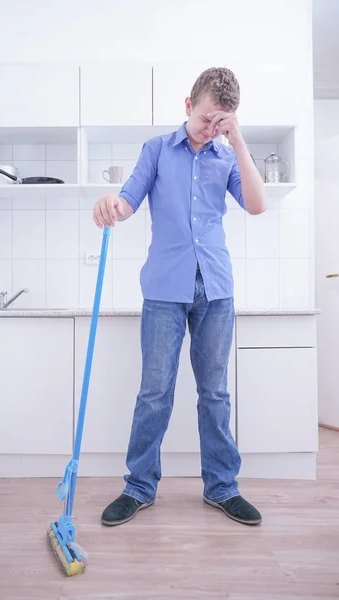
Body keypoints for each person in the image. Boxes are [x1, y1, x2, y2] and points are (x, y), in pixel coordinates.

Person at [92, 67, 266, 527]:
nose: (212, 130)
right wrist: (111, 205)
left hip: (215, 289)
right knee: (154, 393)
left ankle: (222, 488)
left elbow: (257, 204)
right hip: (164, 291)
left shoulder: (226, 157)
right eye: (207, 119)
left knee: (214, 394)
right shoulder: (155, 151)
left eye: (221, 123)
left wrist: (239, 141)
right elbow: (127, 202)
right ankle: (139, 487)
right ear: (188, 106)